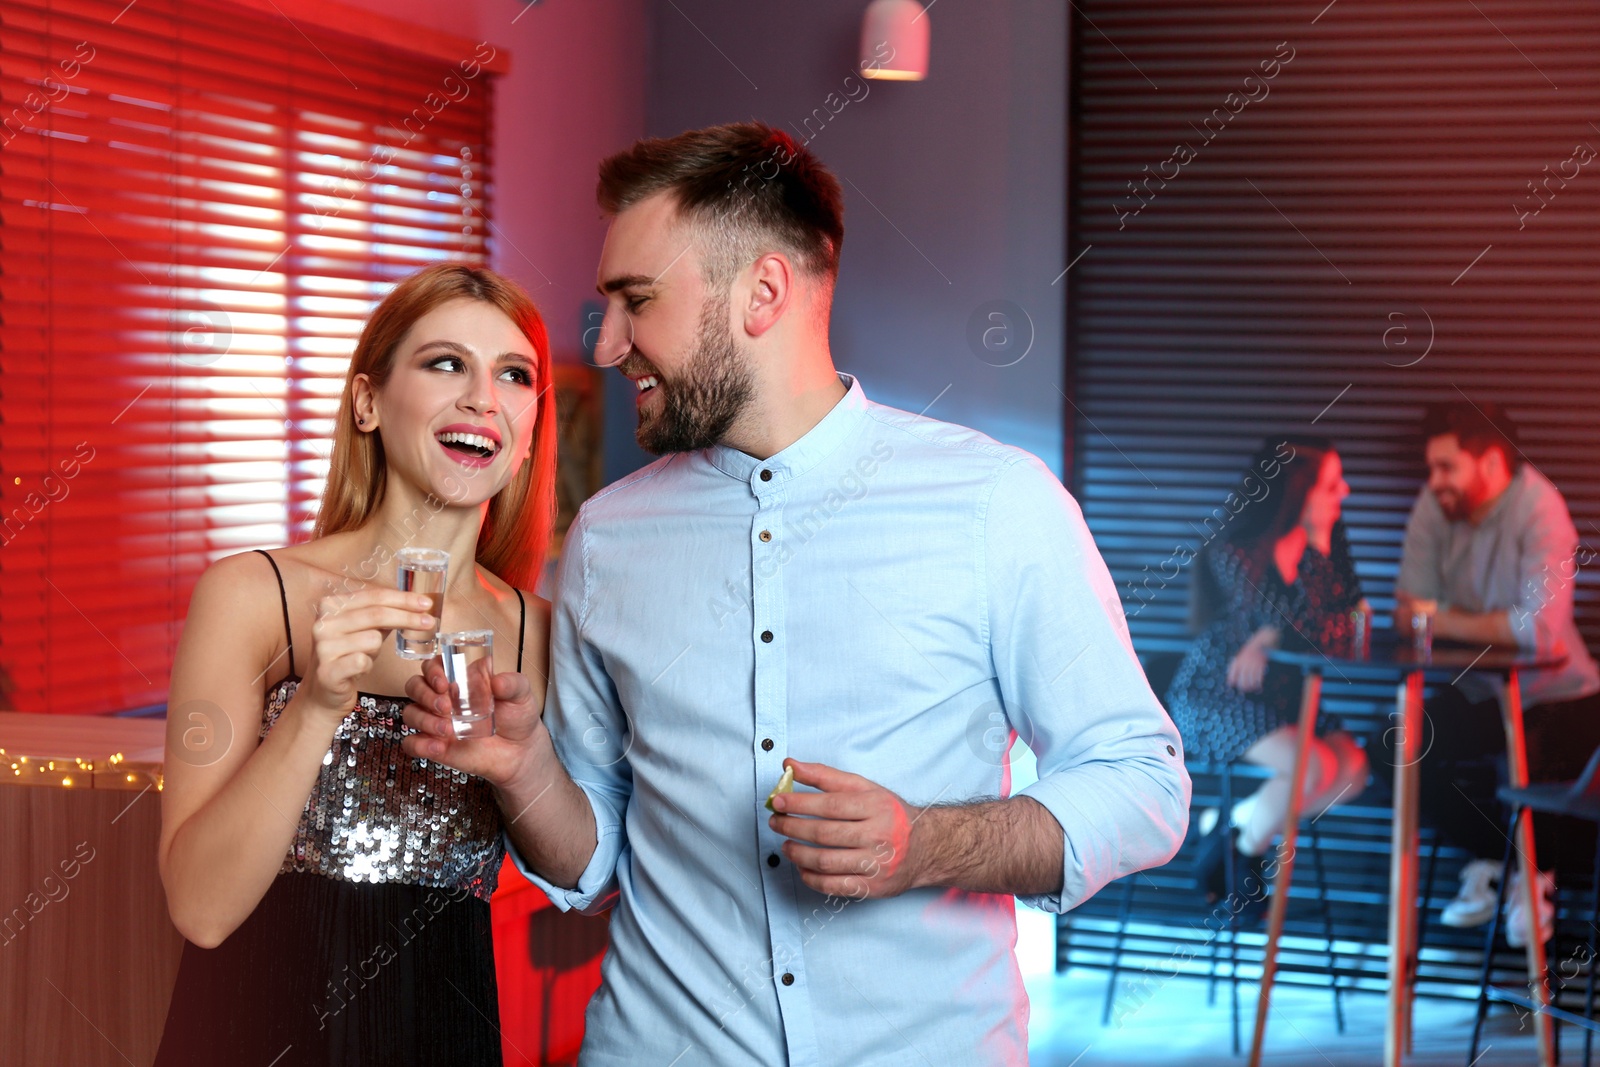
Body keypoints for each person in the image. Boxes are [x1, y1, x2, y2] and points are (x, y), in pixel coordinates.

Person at [399, 121, 1190, 1065]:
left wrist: (925, 844)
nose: (607, 345)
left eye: (635, 301)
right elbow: (596, 855)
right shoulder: (607, 536)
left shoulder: (997, 503)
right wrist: (527, 769)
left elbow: (1144, 786)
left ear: (762, 292)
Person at [154, 263, 559, 1066]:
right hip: (254, 1027)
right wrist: (313, 708)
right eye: (446, 362)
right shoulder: (253, 594)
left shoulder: (537, 636)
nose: (483, 396)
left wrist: (521, 769)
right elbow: (199, 908)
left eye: (513, 375)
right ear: (368, 402)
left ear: (526, 433)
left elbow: (581, 867)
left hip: (442, 1031)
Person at [1399, 401, 1600, 947]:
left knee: (1537, 763)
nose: (1433, 480)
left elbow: (1538, 633)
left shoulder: (1541, 508)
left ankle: (1533, 880)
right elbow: (1405, 608)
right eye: (1431, 468)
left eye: (1446, 467)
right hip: (1477, 687)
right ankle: (1496, 860)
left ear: (1489, 463)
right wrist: (1484, 624)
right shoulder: (1436, 501)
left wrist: (1440, 618)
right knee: (1394, 750)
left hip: (1559, 693)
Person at [1166, 438, 1370, 909]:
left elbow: (1345, 630)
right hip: (1217, 694)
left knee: (1353, 772)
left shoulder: (1327, 547)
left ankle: (1241, 819)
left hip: (1280, 691)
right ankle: (1239, 858)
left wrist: (1276, 635)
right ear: (1298, 493)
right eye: (1332, 485)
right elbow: (1271, 620)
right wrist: (1275, 634)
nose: (1346, 493)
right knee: (1315, 766)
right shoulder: (1236, 552)